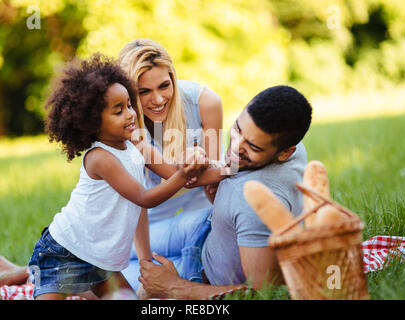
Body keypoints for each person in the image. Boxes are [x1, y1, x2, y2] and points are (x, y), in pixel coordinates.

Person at [27, 53, 208, 300]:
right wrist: (183, 175)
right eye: (118, 110)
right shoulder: (100, 158)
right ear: (92, 123)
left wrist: (212, 165)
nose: (131, 114)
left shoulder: (136, 145)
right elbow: (145, 198)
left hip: (103, 260)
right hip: (64, 253)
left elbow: (176, 176)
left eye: (129, 105)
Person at [137, 85, 313, 299]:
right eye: (238, 129)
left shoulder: (253, 203)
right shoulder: (290, 138)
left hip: (198, 276)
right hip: (205, 229)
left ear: (285, 153)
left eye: (253, 147)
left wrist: (174, 287)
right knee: (121, 244)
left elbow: (263, 293)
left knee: (115, 278)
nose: (236, 147)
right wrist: (221, 187)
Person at [117, 38, 224, 290]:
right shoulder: (124, 123)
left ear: (173, 78)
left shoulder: (205, 103)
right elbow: (175, 179)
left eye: (164, 86)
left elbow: (213, 182)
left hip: (200, 218)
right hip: (147, 232)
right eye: (143, 92)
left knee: (209, 240)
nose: (157, 99)